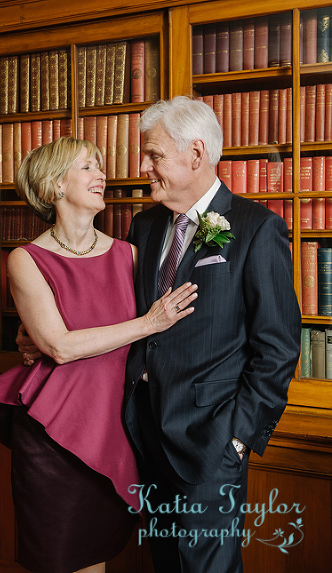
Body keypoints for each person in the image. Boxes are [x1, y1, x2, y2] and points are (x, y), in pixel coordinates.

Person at [0, 137, 198, 573]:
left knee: (96, 558)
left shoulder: (130, 255)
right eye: (88, 167)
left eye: (100, 167)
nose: (102, 176)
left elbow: (159, 340)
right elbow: (58, 346)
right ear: (54, 186)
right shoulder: (26, 259)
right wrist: (147, 323)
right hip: (53, 437)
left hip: (117, 429)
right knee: (57, 560)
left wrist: (150, 332)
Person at [120, 96, 301, 572]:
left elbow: (278, 347)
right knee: (165, 562)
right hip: (143, 428)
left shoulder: (257, 227)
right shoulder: (143, 226)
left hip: (212, 438)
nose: (143, 166)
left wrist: (238, 438)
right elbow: (125, 313)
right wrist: (41, 336)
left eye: (154, 155)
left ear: (195, 154)